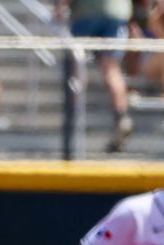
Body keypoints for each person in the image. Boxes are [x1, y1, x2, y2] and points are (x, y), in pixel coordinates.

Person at [54, 0, 134, 152]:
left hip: (87, 12)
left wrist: (61, 6)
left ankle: (75, 116)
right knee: (110, 67)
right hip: (117, 12)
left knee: (76, 63)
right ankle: (121, 116)